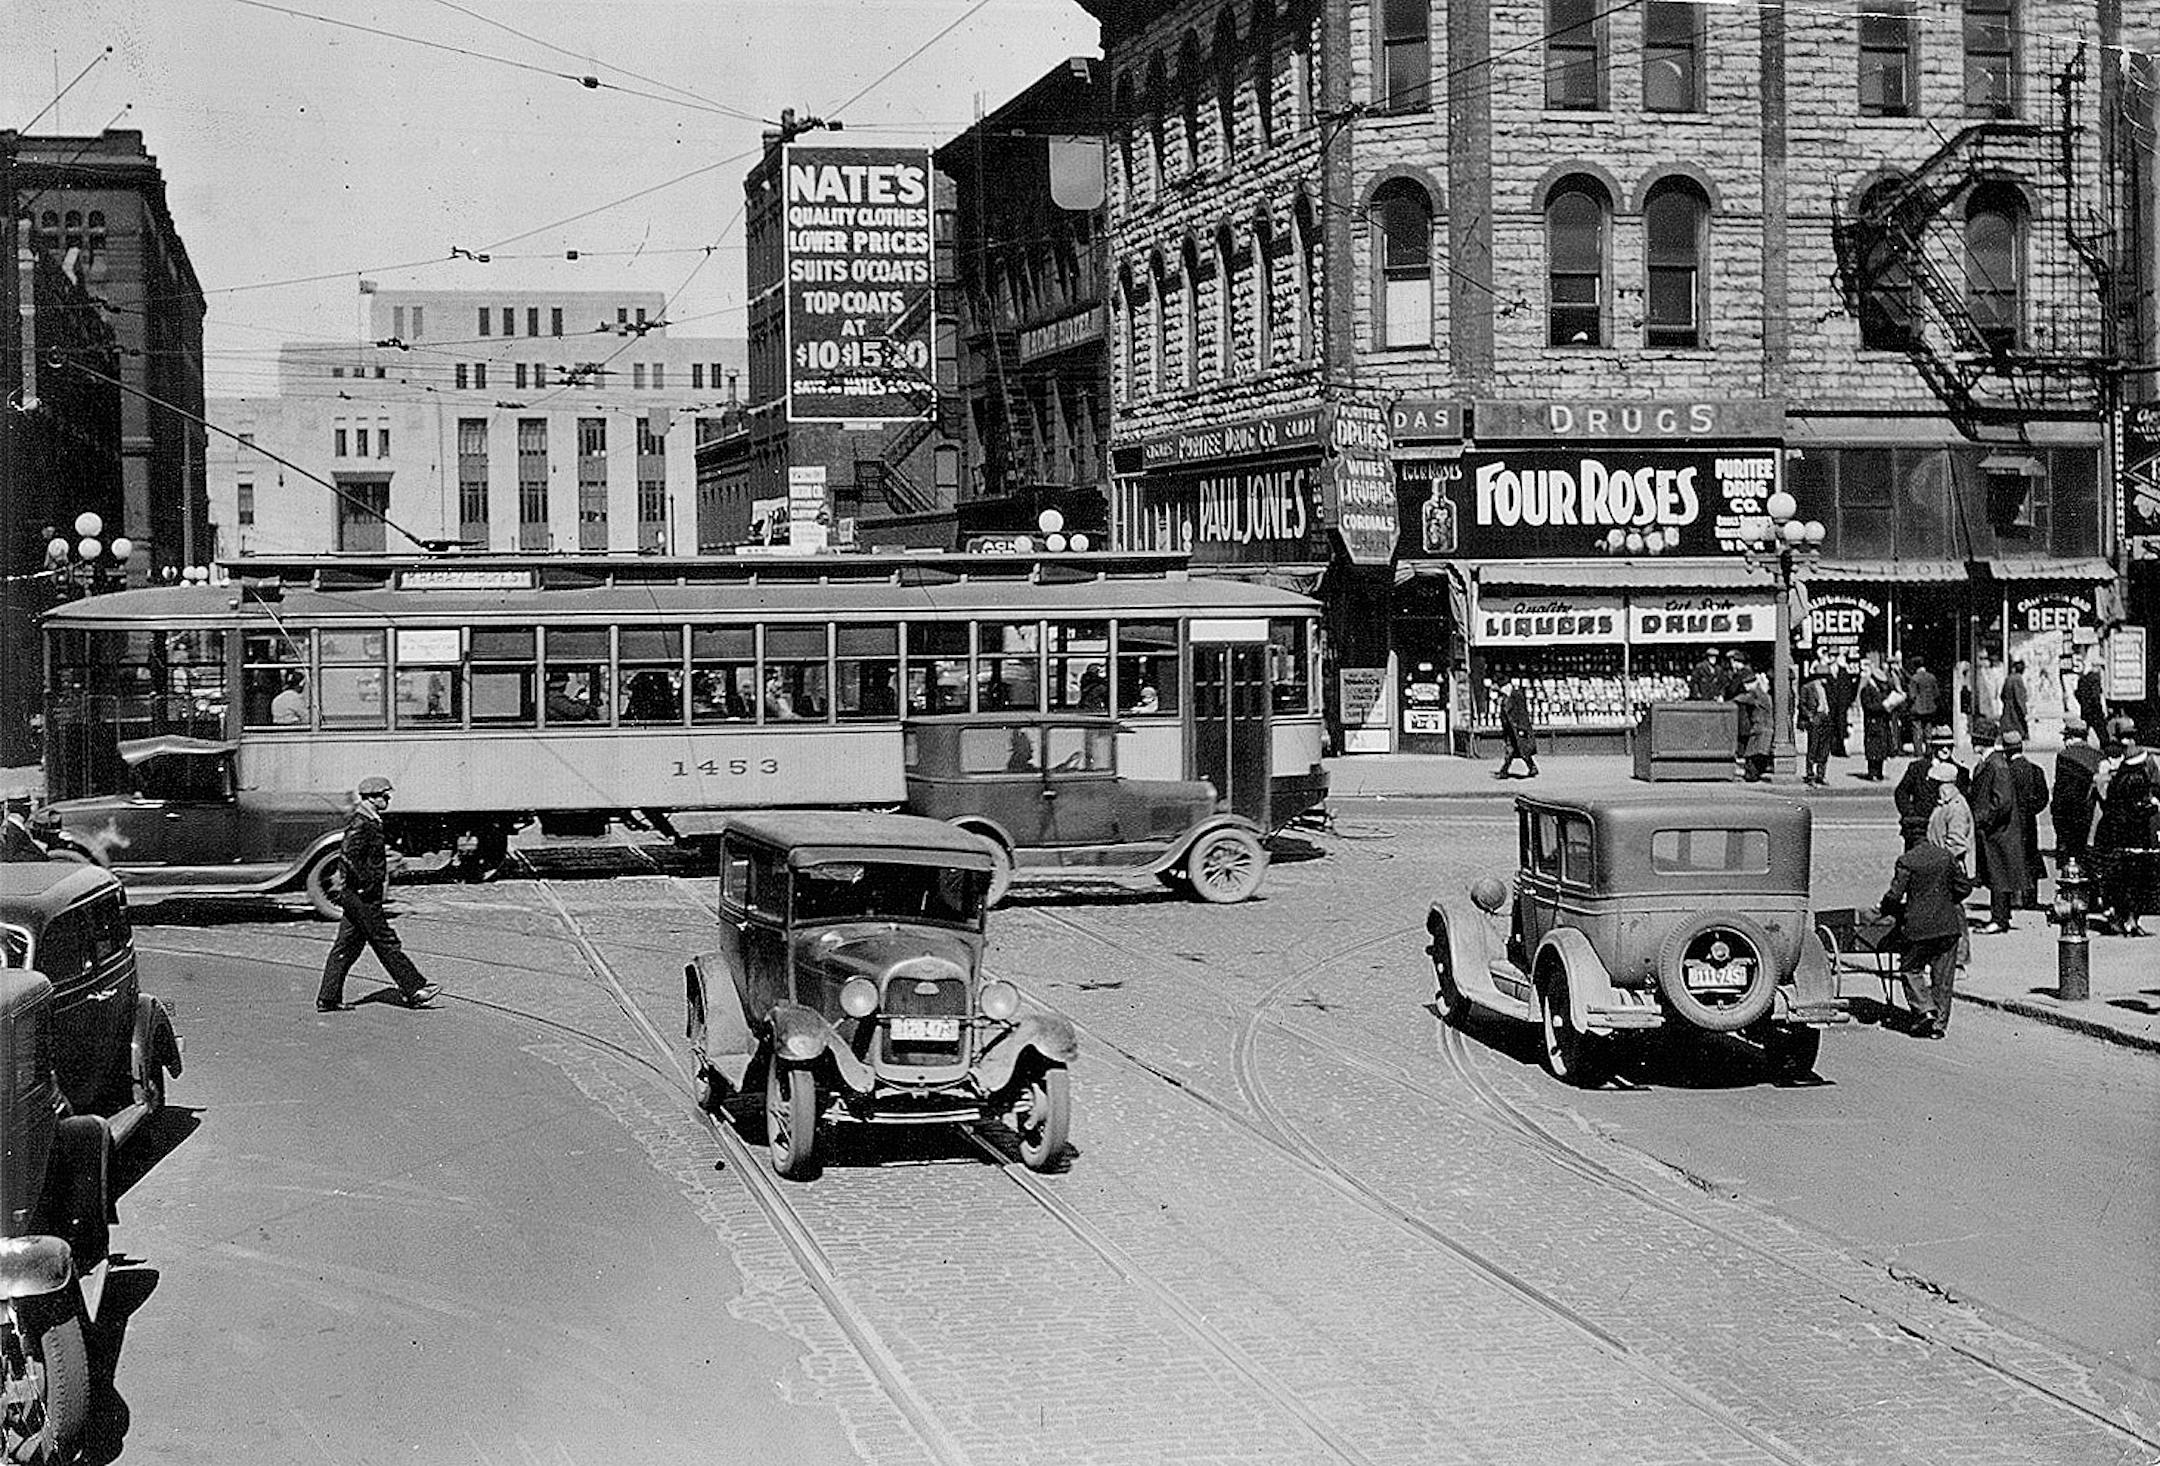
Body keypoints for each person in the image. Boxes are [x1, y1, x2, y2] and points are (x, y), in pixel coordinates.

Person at [315, 777, 439, 1012]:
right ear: (371, 798)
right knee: (385, 941)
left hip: (357, 896)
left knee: (345, 948)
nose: (387, 799)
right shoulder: (362, 823)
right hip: (362, 897)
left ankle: (328, 998)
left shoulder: (370, 820)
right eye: (384, 795)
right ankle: (415, 989)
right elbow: (349, 857)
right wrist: (365, 886)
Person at [1879, 823, 1975, 1039]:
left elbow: (1895, 895)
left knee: (1910, 968)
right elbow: (1964, 887)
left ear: (1908, 838)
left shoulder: (1907, 861)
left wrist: (1886, 909)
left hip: (1919, 928)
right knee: (1943, 978)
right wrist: (1947, 902)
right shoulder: (1945, 856)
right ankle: (1939, 1026)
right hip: (1948, 927)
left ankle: (1925, 1010)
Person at [2091, 718, 2156, 936]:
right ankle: (2131, 921)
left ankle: (2122, 919)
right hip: (2135, 838)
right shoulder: (2137, 779)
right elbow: (2138, 809)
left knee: (2122, 882)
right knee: (2136, 882)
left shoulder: (2118, 778)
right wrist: (2152, 806)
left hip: (2117, 839)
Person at [1967, 731, 2028, 933]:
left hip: (1999, 830)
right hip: (1997, 829)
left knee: (1998, 873)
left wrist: (1985, 819)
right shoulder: (1993, 762)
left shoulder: (1995, 764)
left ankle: (1999, 918)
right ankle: (2001, 915)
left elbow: (2002, 801)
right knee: (1997, 872)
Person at [1895, 729, 1965, 849]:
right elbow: (1901, 792)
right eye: (1941, 746)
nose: (1945, 750)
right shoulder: (1918, 768)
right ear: (1933, 747)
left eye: (1948, 746)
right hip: (1919, 830)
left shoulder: (1961, 772)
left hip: (1943, 831)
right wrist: (1911, 814)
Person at [2050, 720, 2102, 865]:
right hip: (2089, 810)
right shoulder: (2097, 755)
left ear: (2070, 737)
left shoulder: (2064, 756)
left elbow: (2060, 789)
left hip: (2067, 812)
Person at [1857, 655, 1896, 780]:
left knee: (1882, 749)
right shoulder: (1867, 690)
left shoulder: (1880, 691)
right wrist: (1883, 706)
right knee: (1873, 749)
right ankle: (1872, 772)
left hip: (1882, 723)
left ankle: (1879, 772)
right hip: (1872, 723)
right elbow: (1868, 707)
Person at [1494, 675, 1538, 779]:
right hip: (1510, 729)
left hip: (1518, 728)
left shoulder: (1516, 696)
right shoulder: (1505, 698)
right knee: (1514, 750)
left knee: (1520, 750)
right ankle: (1531, 768)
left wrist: (1523, 728)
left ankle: (1504, 771)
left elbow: (1522, 714)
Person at [1798, 662, 1833, 787]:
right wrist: (1810, 717)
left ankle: (1821, 774)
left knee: (1824, 748)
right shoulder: (1807, 688)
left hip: (1826, 717)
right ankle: (1810, 774)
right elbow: (1802, 704)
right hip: (1815, 717)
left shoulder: (1828, 687)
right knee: (1813, 746)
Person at [1735, 671, 1773, 782]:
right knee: (1757, 752)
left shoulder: (1756, 694)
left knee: (1752, 753)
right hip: (1764, 727)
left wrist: (1730, 700)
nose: (1745, 687)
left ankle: (1752, 775)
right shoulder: (1763, 694)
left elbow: (1745, 699)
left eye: (1747, 684)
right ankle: (1753, 774)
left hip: (1760, 727)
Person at [1905, 657, 1941, 748]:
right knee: (1928, 730)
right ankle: (1929, 750)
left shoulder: (1914, 679)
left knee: (1917, 730)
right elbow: (1936, 694)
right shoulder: (1932, 677)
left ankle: (1919, 752)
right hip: (1930, 708)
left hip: (1917, 709)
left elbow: (1912, 696)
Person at [1827, 656, 1858, 758]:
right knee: (1831, 727)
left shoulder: (1844, 673)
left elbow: (1848, 689)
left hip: (1841, 706)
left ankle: (1840, 749)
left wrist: (1847, 703)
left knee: (1841, 727)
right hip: (1830, 705)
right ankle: (1831, 748)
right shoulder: (1826, 671)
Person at [1998, 658, 2030, 742]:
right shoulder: (2017, 679)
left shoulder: (2008, 678)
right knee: (2018, 729)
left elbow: (2002, 695)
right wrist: (2024, 711)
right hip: (2014, 709)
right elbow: (2019, 697)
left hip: (2007, 708)